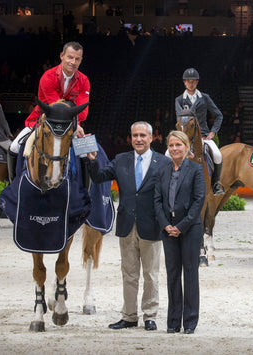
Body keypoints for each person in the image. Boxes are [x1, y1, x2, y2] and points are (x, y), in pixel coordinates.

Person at [87, 121, 171, 331]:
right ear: (130, 138)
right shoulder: (120, 160)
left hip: (151, 226)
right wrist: (92, 161)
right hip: (126, 225)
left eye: (143, 135)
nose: (139, 139)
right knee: (129, 274)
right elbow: (98, 177)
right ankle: (129, 316)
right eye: (135, 135)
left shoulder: (163, 163)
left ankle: (150, 316)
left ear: (151, 138)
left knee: (151, 274)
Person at [9, 41, 90, 181]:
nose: (73, 62)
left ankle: (85, 192)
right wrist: (73, 110)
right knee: (14, 146)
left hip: (71, 124)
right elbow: (55, 109)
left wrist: (77, 125)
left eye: (77, 59)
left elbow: (83, 112)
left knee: (86, 151)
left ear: (81, 60)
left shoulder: (84, 80)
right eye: (70, 57)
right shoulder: (48, 76)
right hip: (42, 120)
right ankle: (13, 184)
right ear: (62, 56)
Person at [154, 130, 205, 335]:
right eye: (172, 145)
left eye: (179, 145)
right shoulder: (163, 170)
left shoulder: (195, 169)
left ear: (186, 147)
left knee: (190, 274)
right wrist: (166, 225)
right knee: (173, 275)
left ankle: (190, 321)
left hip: (190, 229)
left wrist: (181, 226)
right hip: (168, 230)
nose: (175, 149)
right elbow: (157, 200)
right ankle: (173, 321)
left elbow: (198, 201)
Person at [175, 68, 224, 195]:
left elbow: (219, 115)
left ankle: (216, 183)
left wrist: (213, 132)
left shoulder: (204, 98)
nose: (191, 84)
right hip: (184, 137)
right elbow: (179, 119)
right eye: (188, 81)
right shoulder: (179, 100)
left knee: (217, 155)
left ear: (197, 82)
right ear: (184, 83)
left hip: (203, 136)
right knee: (167, 155)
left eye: (193, 81)